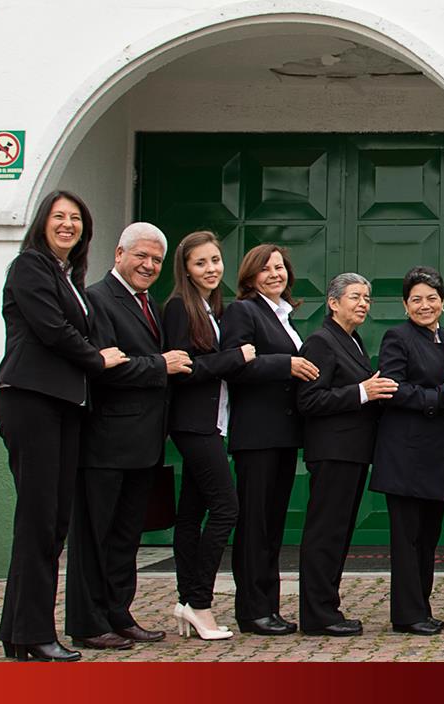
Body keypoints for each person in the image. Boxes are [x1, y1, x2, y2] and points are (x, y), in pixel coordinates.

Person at [0, 191, 128, 661]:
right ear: (42, 223)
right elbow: (52, 329)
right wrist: (97, 358)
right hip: (31, 399)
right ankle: (34, 633)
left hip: (66, 404)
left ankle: (19, 633)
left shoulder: (68, 276)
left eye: (76, 218)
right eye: (59, 216)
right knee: (39, 520)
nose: (68, 224)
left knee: (51, 523)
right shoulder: (30, 266)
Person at [65, 221, 192, 651]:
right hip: (105, 443)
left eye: (156, 259)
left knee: (125, 537)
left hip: (143, 444)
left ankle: (118, 614)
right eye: (141, 255)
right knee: (94, 537)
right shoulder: (97, 299)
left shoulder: (149, 303)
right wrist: (160, 365)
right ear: (119, 254)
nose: (149, 265)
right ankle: (87, 622)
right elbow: (103, 368)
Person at [221, 244, 320, 635]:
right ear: (251, 276)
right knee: (255, 526)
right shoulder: (243, 311)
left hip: (283, 436)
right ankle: (252, 610)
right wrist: (286, 364)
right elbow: (235, 365)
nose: (275, 274)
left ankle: (269, 607)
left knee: (273, 526)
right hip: (257, 436)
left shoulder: (284, 316)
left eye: (279, 267)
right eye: (265, 269)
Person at [162, 231, 255, 640]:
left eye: (215, 260)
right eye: (200, 263)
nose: (211, 269)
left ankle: (188, 601)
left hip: (212, 423)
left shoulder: (211, 308)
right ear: (185, 269)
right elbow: (183, 370)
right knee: (226, 508)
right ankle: (199, 603)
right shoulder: (179, 307)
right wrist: (235, 357)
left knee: (190, 514)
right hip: (194, 425)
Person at [296, 273, 397, 636]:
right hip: (332, 452)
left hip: (352, 453)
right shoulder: (321, 342)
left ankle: (327, 608)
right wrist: (362, 392)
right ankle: (317, 615)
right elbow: (309, 400)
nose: (363, 304)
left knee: (338, 534)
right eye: (355, 297)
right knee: (325, 534)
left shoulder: (352, 341)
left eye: (367, 298)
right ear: (333, 302)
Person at [371, 267, 444, 636]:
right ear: (405, 304)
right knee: (408, 540)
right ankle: (407, 615)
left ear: (442, 302)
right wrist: (441, 395)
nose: (424, 305)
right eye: (416, 299)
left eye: (431, 298)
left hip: (440, 458)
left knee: (427, 540)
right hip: (406, 457)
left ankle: (420, 609)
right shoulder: (397, 338)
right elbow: (391, 388)